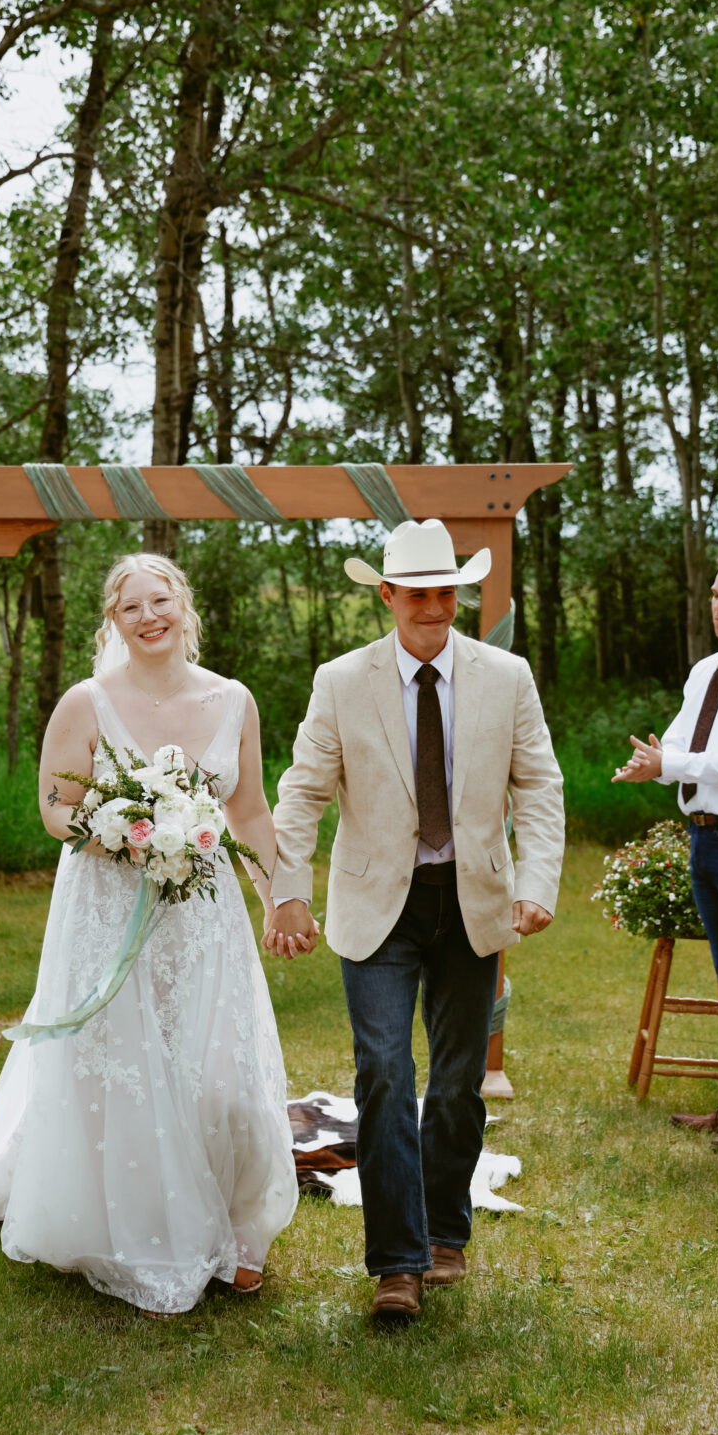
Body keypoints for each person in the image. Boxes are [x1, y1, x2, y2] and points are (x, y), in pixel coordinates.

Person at [0, 554, 297, 1315]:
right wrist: (121, 830)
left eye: (160, 600)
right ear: (111, 623)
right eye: (129, 607)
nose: (149, 616)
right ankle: (138, 1224)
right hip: (107, 909)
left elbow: (246, 811)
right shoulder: (86, 702)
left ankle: (241, 1226)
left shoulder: (232, 700)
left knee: (220, 1067)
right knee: (123, 1068)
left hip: (201, 917)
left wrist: (280, 895)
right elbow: (56, 808)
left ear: (184, 606)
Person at [264, 518, 564, 1326]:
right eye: (417, 593)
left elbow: (537, 785)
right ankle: (395, 1264)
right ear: (387, 595)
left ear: (455, 594)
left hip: (474, 901)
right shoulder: (340, 680)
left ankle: (444, 1238)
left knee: (459, 1082)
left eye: (445, 592)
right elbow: (302, 792)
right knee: (386, 1073)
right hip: (376, 907)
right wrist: (285, 888)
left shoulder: (505, 675)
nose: (432, 607)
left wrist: (535, 881)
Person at [612, 548, 718, 1153]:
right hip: (705, 839)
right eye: (714, 594)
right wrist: (652, 765)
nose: (717, 605)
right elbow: (677, 739)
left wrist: (672, 762)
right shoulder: (708, 670)